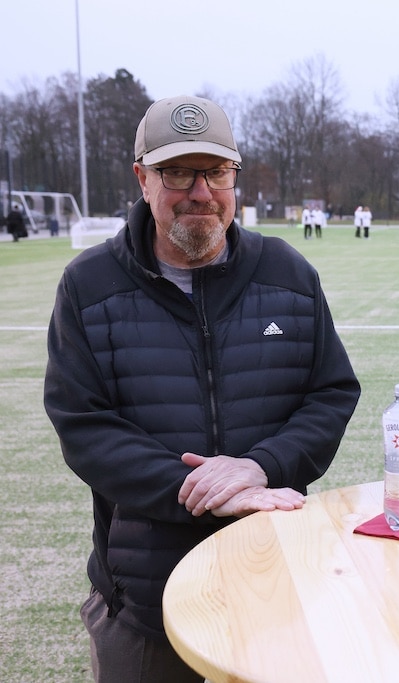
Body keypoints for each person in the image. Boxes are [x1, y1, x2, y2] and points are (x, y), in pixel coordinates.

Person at [43, 94, 361, 682]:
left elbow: (331, 394)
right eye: (177, 172)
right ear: (142, 178)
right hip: (145, 600)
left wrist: (260, 466)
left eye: (215, 172)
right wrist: (202, 488)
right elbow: (84, 426)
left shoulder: (287, 272)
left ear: (234, 176)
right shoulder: (89, 285)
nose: (200, 191)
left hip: (278, 577)